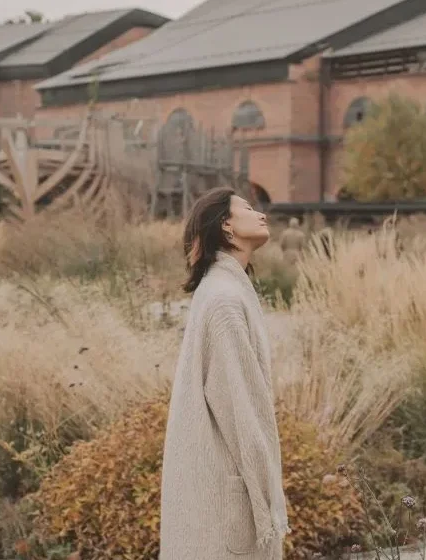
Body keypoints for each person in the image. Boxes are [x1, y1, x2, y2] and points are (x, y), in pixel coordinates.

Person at [159, 187, 290, 560]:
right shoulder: (225, 300)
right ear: (227, 227)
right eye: (248, 208)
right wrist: (269, 500)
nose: (261, 214)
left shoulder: (221, 291)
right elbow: (241, 410)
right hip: (225, 504)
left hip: (215, 492)